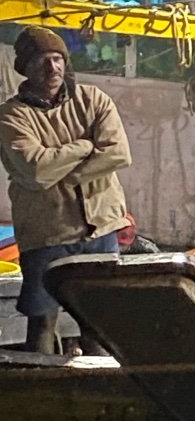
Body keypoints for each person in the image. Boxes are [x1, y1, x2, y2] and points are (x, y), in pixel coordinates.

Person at [0, 26, 132, 356]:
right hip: (47, 233)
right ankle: (42, 394)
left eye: (58, 59)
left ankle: (100, 390)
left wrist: (66, 175)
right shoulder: (11, 116)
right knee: (43, 322)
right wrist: (86, 146)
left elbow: (118, 154)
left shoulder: (94, 99)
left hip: (100, 227)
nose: (53, 68)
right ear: (26, 67)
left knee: (97, 322)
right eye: (43, 60)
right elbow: (34, 169)